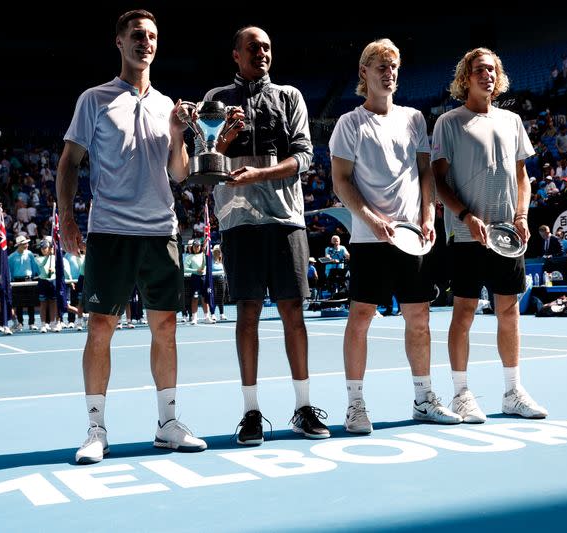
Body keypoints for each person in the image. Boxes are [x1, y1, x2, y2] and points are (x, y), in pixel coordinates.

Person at [56, 9, 206, 464]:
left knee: (166, 326)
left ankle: (167, 423)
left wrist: (180, 135)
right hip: (111, 231)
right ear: (119, 42)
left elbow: (179, 173)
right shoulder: (94, 99)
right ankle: (96, 428)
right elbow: (69, 163)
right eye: (137, 35)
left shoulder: (167, 106)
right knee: (101, 326)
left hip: (161, 230)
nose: (146, 42)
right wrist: (66, 218)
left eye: (153, 36)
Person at [199, 25, 329, 445]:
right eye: (253, 47)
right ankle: (251, 412)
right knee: (247, 315)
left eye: (268, 47)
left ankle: (304, 407)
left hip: (286, 219)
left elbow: (305, 156)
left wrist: (262, 173)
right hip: (237, 223)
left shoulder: (289, 96)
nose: (262, 53)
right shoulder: (214, 101)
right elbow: (205, 167)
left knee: (294, 313)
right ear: (235, 54)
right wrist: (222, 142)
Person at [331, 38, 461, 434]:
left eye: (394, 67)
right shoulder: (349, 124)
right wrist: (371, 219)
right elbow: (340, 181)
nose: (389, 73)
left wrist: (427, 216)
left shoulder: (414, 119)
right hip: (370, 239)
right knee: (361, 317)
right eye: (381, 66)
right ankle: (355, 405)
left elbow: (424, 173)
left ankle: (424, 398)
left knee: (419, 317)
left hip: (411, 237)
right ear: (364, 73)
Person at [432, 47, 548, 423]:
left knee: (509, 312)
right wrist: (465, 216)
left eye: (493, 69)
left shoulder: (512, 120)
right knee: (463, 311)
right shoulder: (448, 123)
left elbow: (521, 178)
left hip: (506, 235)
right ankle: (462, 393)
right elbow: (437, 182)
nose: (488, 75)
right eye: (480, 70)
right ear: (466, 77)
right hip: (468, 235)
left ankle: (513, 391)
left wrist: (521, 214)